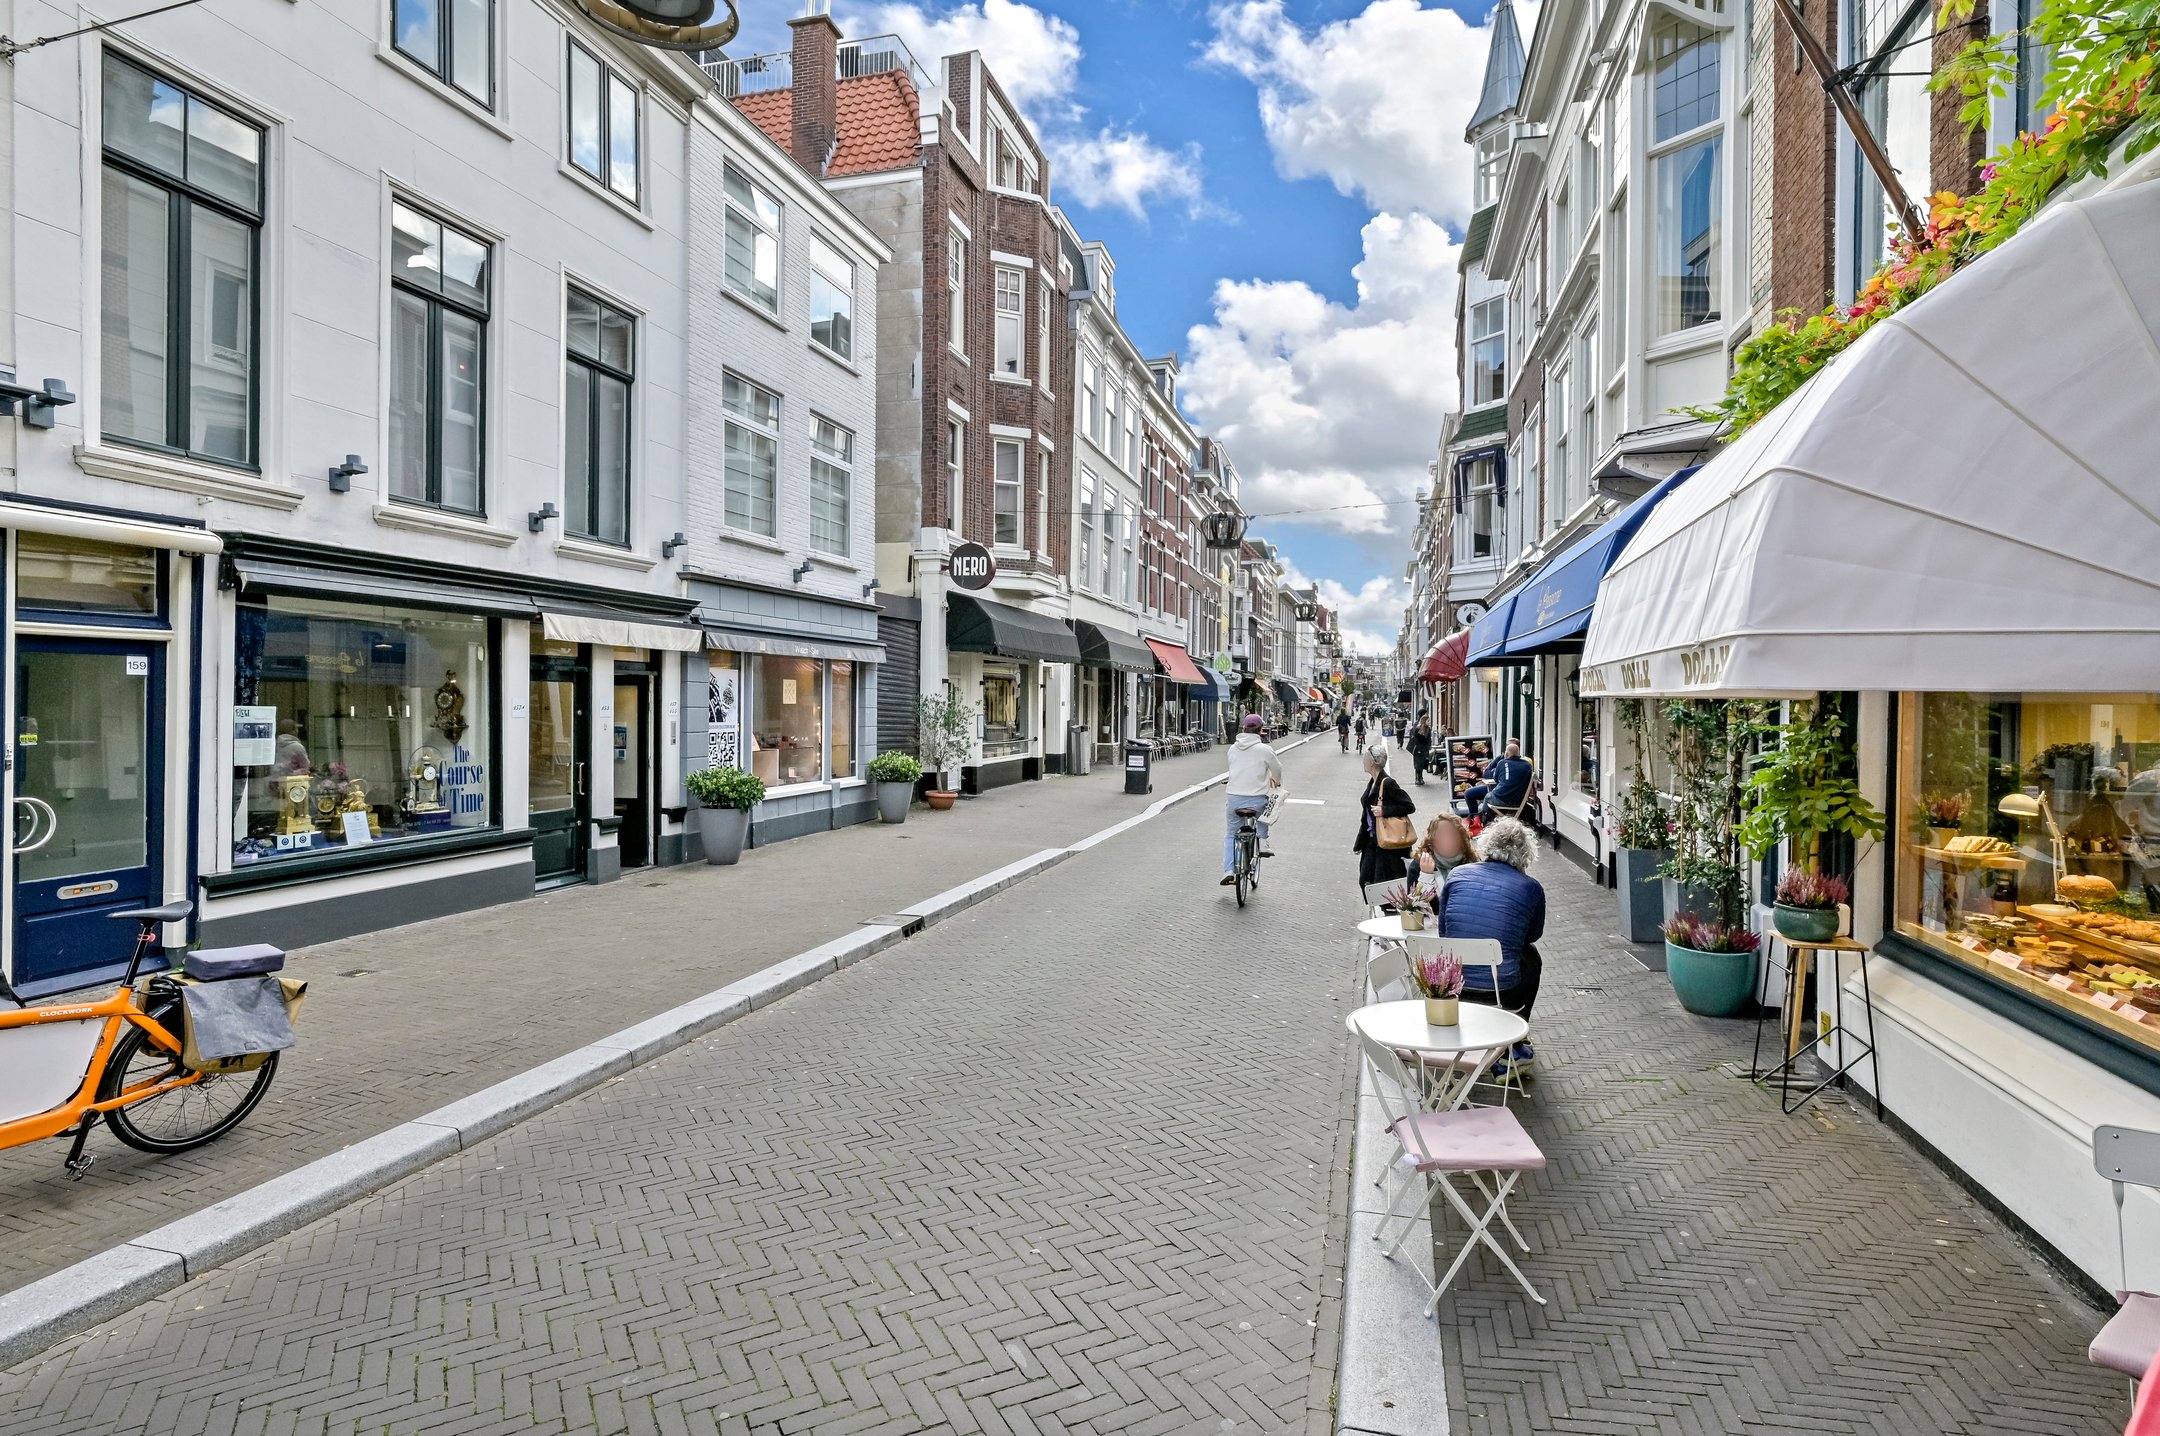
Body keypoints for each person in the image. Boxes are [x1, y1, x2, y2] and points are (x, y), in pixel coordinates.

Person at [1435, 817, 1544, 1072]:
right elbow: (1532, 935)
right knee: (1532, 958)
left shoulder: (1457, 874)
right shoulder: (1530, 887)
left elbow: (1444, 932)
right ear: (1526, 856)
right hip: (1501, 989)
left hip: (1453, 986)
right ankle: (1514, 1038)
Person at [1221, 714, 1284, 885]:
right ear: (1260, 730)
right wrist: (1276, 782)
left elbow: (1235, 767)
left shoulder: (1232, 749)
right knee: (1265, 810)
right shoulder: (1264, 750)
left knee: (1230, 835)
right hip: (1256, 799)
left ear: (1243, 728)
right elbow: (1277, 768)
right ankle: (1262, 841)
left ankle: (1228, 870)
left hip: (1234, 798)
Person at [1353, 745, 1417, 890]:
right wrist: (1359, 843)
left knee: (1383, 883)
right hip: (1371, 842)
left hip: (1386, 844)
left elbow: (1409, 806)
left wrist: (1384, 810)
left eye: (1366, 758)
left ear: (1372, 762)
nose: (1363, 761)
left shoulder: (1388, 783)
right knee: (1365, 880)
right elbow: (1366, 817)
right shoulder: (1373, 782)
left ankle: (1388, 909)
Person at [1465, 739, 1534, 820]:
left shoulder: (1502, 762)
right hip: (1517, 800)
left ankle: (1482, 821)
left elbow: (1494, 777)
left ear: (1507, 753)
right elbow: (1486, 774)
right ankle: (1477, 818)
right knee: (1470, 793)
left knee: (1486, 797)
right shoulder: (1527, 765)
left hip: (1501, 795)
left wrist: (1496, 772)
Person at [1410, 812, 1476, 896]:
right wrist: (1426, 875)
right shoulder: (1420, 864)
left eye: (1452, 834)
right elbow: (1414, 906)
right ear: (1432, 839)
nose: (1447, 840)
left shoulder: (1471, 861)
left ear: (1461, 838)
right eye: (1441, 835)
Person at [1407, 718, 1434, 786]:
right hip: (1418, 748)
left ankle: (1421, 777)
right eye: (1428, 720)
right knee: (1418, 764)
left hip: (1425, 748)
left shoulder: (1428, 729)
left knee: (1423, 763)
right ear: (1424, 721)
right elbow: (1416, 738)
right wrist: (1418, 748)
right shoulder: (1418, 728)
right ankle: (1417, 778)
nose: (1429, 722)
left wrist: (1429, 746)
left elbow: (1429, 739)